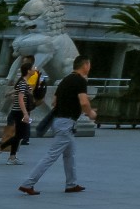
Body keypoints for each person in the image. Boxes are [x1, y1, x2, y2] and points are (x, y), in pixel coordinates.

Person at [18, 55, 94, 196]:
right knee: (51, 155)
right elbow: (84, 102)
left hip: (60, 121)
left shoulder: (65, 80)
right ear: (85, 65)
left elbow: (54, 101)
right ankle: (28, 183)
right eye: (89, 65)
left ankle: (71, 184)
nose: (89, 68)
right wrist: (91, 114)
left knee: (70, 154)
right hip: (66, 122)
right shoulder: (80, 81)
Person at [0, 56, 36, 164]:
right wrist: (25, 114)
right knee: (20, 135)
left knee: (19, 135)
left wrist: (10, 93)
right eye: (32, 68)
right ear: (28, 71)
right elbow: (21, 99)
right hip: (20, 112)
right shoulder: (23, 83)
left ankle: (12, 157)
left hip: (19, 111)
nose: (34, 69)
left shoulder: (23, 82)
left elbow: (20, 92)